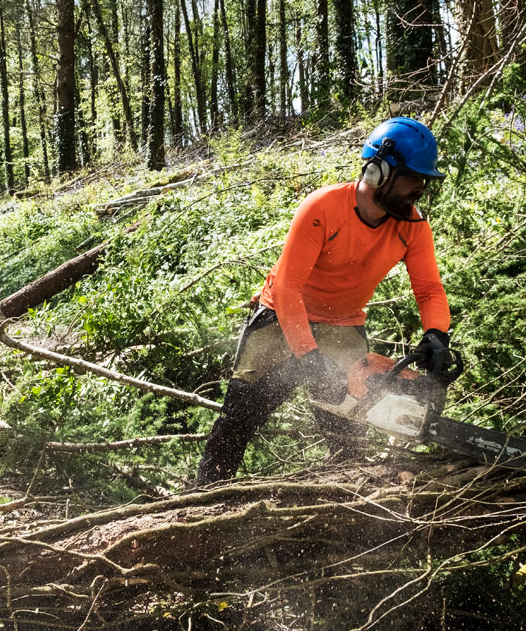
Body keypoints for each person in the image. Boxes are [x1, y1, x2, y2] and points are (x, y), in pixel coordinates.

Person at [194, 117, 455, 486]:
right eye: (413, 179)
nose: (420, 190)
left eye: (424, 180)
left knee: (349, 431)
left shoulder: (412, 225)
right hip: (283, 316)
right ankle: (204, 498)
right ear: (381, 171)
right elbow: (288, 289)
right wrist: (309, 356)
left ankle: (343, 510)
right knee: (239, 419)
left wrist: (436, 335)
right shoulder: (323, 208)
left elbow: (429, 289)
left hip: (343, 325)